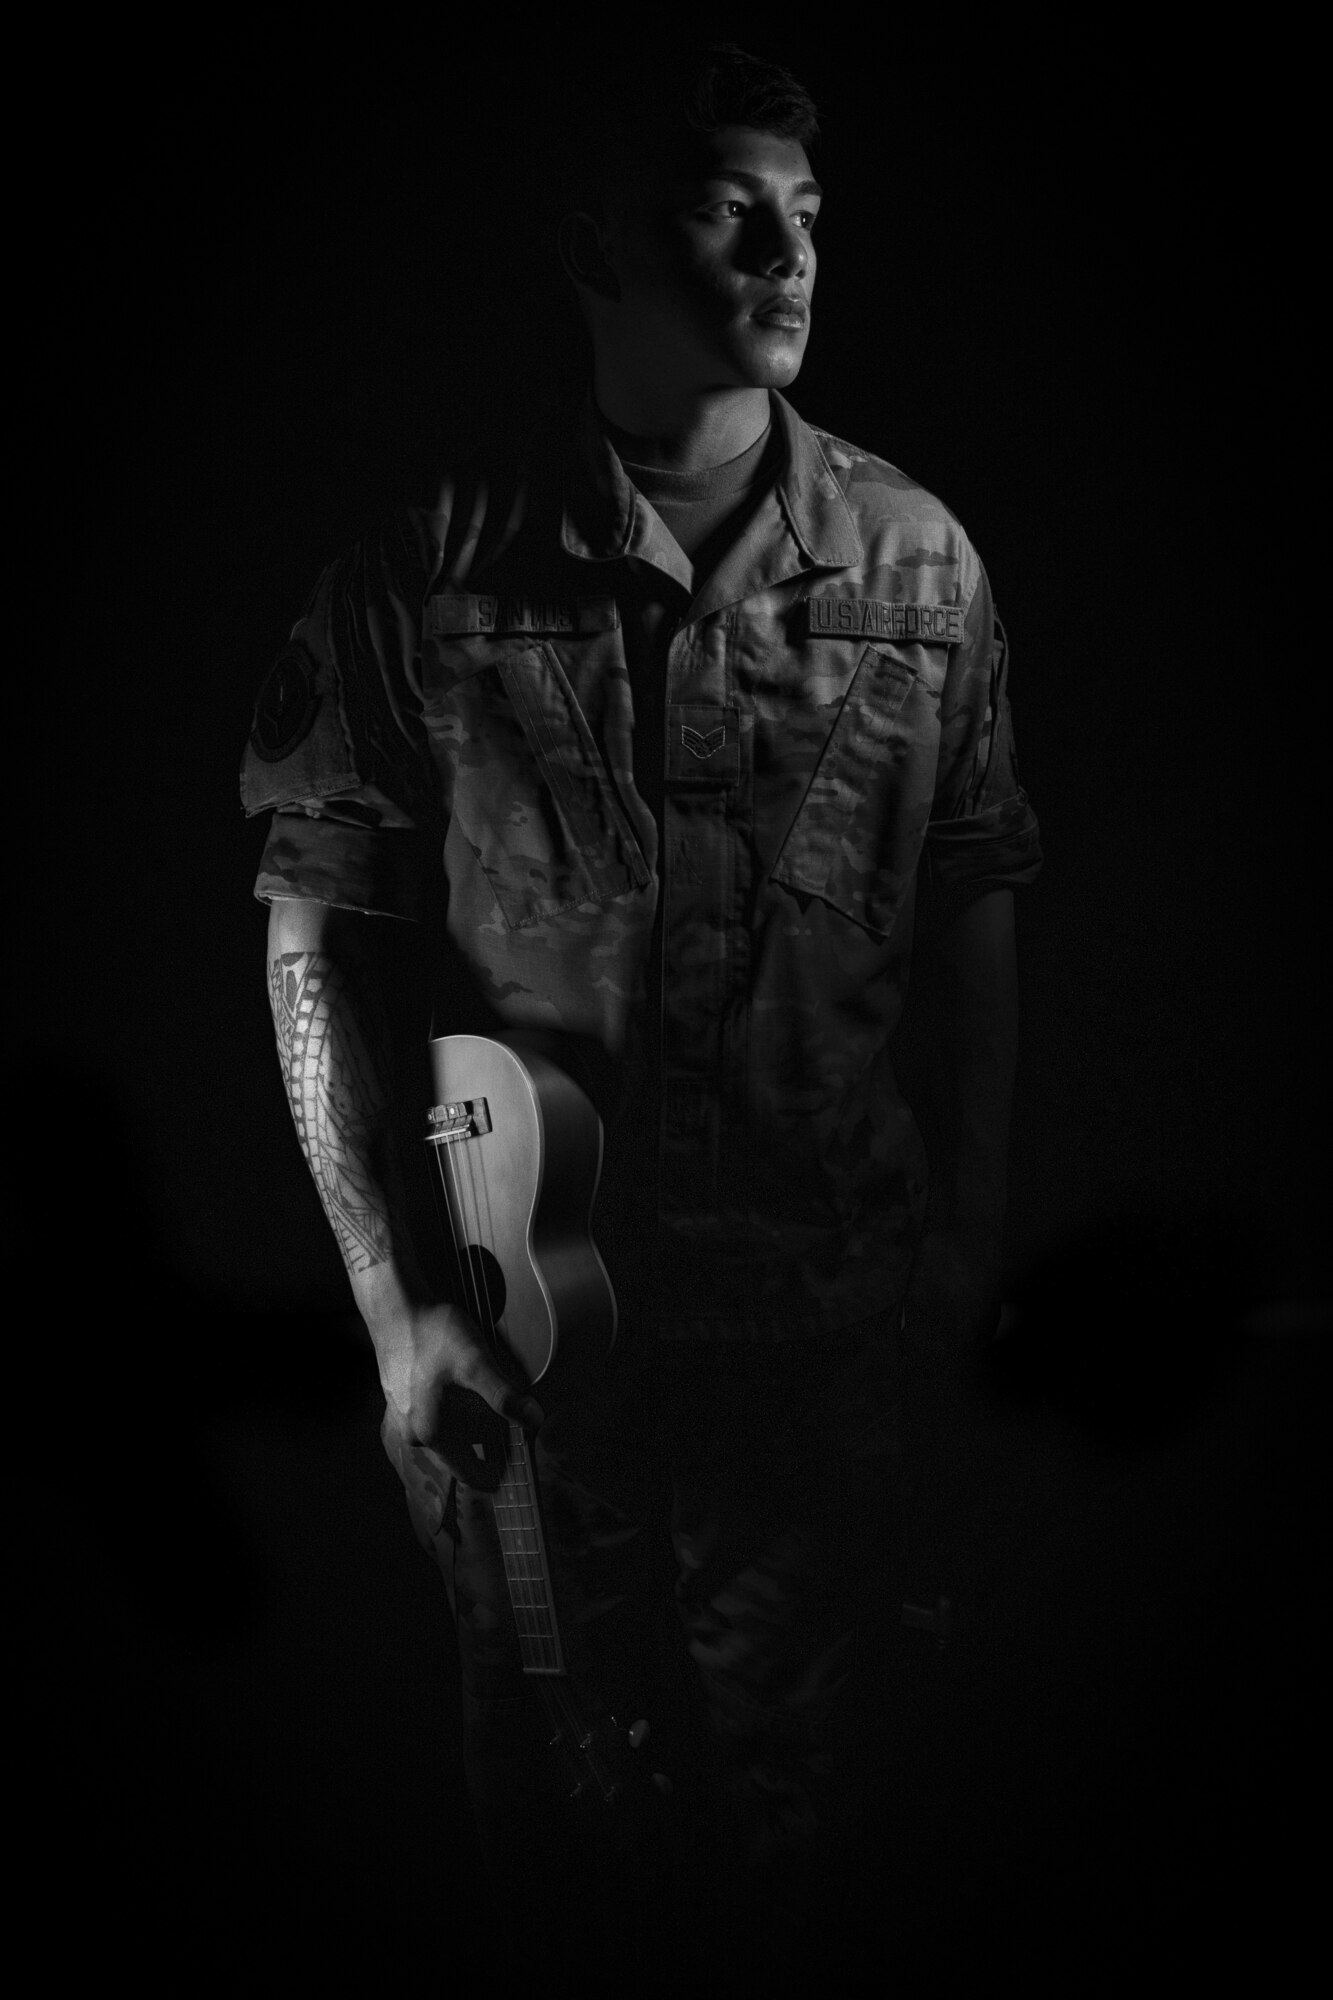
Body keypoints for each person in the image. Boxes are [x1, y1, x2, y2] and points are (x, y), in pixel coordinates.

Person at [241, 43, 1040, 1978]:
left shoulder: (918, 563)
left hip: (819, 1339)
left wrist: (972, 1239)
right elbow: (316, 934)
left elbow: (969, 912)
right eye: (723, 205)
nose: (785, 252)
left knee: (811, 1839)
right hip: (532, 1342)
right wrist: (396, 1311)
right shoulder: (429, 561)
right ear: (592, 245)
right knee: (550, 1837)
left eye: (809, 211)